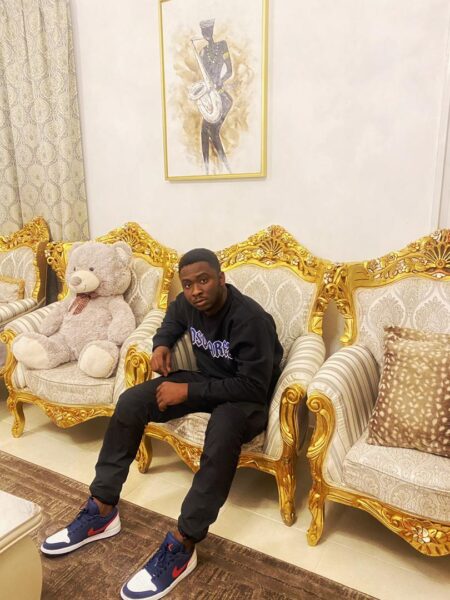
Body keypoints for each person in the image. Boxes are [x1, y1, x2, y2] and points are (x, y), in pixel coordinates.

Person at [41, 248, 283, 600]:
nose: (196, 290)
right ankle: (103, 508)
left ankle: (184, 542)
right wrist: (161, 345)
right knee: (131, 402)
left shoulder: (251, 320)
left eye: (204, 280)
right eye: (188, 284)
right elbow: (172, 319)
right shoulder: (187, 303)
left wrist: (187, 391)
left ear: (221, 279)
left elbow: (254, 386)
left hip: (245, 399)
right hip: (206, 382)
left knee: (222, 432)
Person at [197, 19, 233, 175]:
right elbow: (206, 77)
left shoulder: (222, 45)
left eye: (208, 30)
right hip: (212, 98)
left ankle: (226, 168)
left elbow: (229, 71)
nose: (207, 34)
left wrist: (220, 81)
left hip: (222, 98)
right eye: (204, 31)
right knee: (204, 132)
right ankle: (206, 170)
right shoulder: (202, 52)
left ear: (211, 30)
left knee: (212, 131)